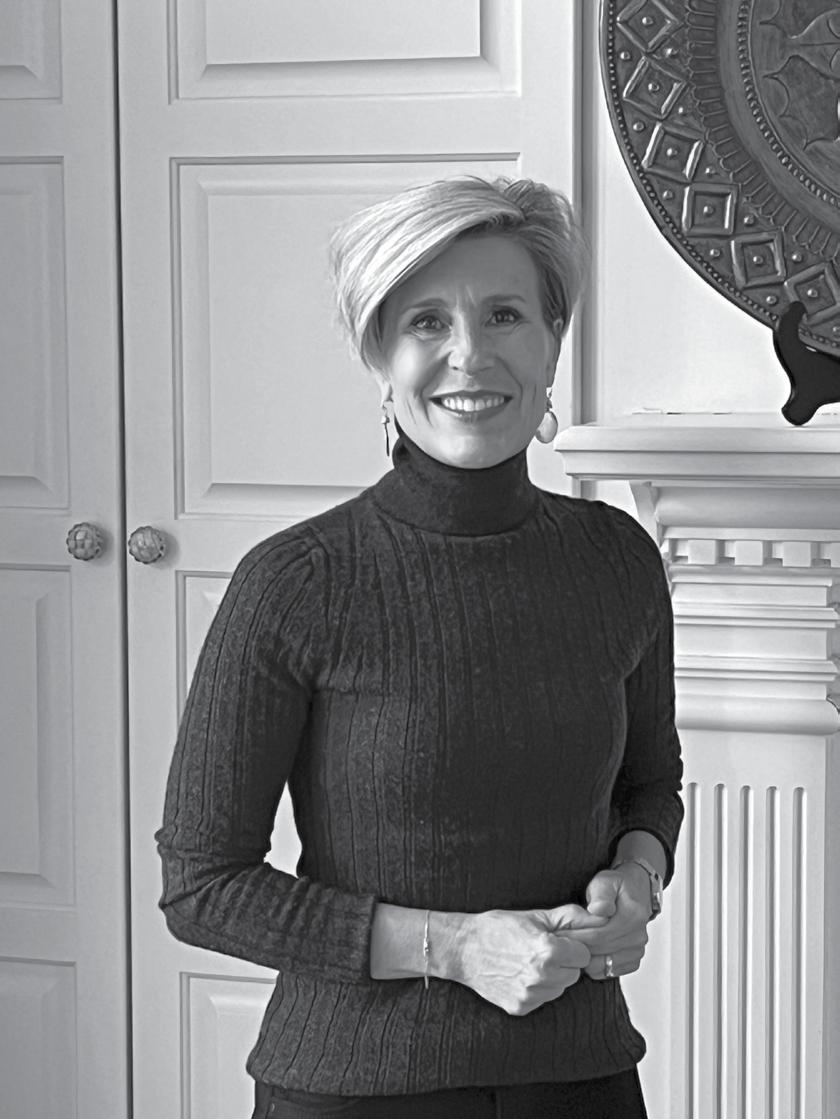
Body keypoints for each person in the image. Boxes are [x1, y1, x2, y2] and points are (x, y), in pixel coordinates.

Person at [155, 176, 683, 1119]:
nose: (470, 354)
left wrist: (636, 879)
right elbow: (202, 884)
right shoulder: (297, 581)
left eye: (505, 314)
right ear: (380, 357)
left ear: (553, 340)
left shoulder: (617, 559)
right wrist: (456, 948)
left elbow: (650, 784)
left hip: (584, 1077)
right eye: (427, 322)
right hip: (353, 1088)